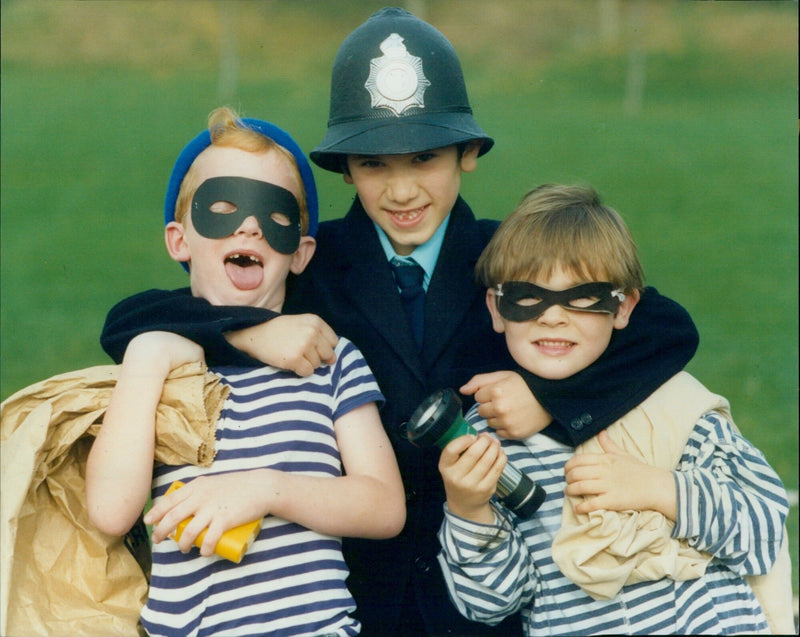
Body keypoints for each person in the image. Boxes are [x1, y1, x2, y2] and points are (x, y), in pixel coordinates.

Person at [98, 8, 700, 636]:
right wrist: (245, 328)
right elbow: (131, 320)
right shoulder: (310, 262)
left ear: (467, 153)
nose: (402, 189)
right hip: (348, 596)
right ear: (345, 168)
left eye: (424, 158)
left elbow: (665, 326)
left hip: (485, 595)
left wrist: (548, 395)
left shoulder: (510, 259)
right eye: (374, 165)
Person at [85, 106, 406, 637]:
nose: (250, 225)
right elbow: (111, 511)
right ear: (179, 240)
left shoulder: (329, 360)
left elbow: (384, 504)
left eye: (273, 215)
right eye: (223, 207)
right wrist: (145, 359)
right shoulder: (162, 368)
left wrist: (266, 489)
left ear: (300, 253)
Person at [436, 184, 789, 635]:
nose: (553, 317)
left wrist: (662, 489)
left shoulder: (673, 404)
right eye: (527, 295)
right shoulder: (487, 440)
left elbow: (763, 533)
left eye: (583, 297)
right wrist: (469, 509)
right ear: (496, 308)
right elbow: (490, 603)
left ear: (622, 308)